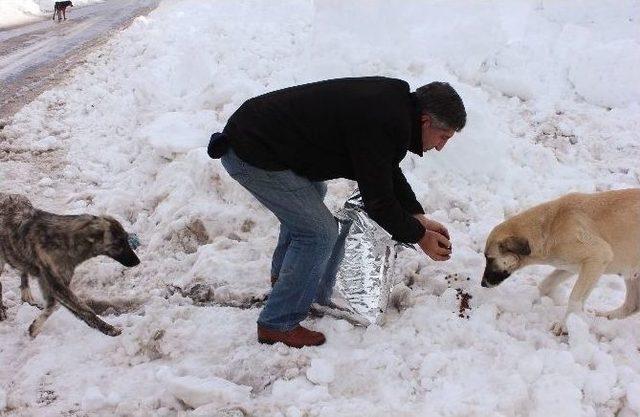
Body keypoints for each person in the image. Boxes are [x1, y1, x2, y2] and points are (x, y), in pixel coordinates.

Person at [208, 76, 466, 348]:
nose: (440, 146)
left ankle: (286, 278)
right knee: (319, 233)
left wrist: (416, 216)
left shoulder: (395, 107)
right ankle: (278, 323)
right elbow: (378, 201)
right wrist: (419, 236)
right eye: (442, 137)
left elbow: (384, 166)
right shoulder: (384, 120)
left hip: (267, 140)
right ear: (425, 121)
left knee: (311, 201)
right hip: (252, 151)